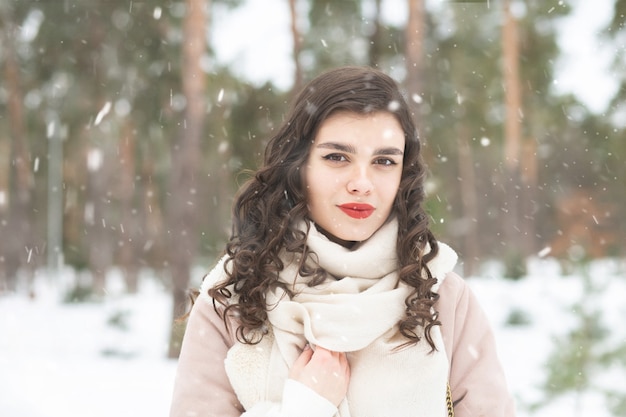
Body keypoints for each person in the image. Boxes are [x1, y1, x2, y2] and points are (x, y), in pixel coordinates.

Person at [169, 66, 516, 417]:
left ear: (403, 175)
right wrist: (304, 408)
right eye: (337, 157)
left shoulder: (441, 296)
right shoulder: (233, 299)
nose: (361, 182)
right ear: (298, 165)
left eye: (383, 161)